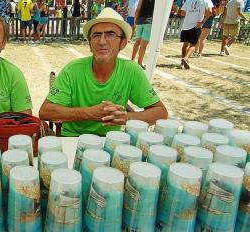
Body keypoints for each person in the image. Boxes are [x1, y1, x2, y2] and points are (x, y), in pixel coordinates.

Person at [39, 8, 167, 137]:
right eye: (96, 35)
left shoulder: (132, 71)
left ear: (122, 43)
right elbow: (46, 112)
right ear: (90, 45)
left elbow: (161, 113)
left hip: (110, 141)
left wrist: (126, 117)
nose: (102, 41)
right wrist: (90, 113)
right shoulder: (73, 70)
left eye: (110, 34)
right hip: (73, 138)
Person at [178, 0, 213, 69]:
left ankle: (182, 62)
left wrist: (191, 14)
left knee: (185, 45)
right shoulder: (206, 0)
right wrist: (202, 21)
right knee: (193, 45)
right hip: (196, 25)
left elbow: (182, 13)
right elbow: (210, 11)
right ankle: (185, 58)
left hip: (186, 25)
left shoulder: (188, 0)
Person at [131, 0, 155, 69]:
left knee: (137, 41)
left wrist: (135, 21)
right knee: (143, 44)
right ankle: (139, 63)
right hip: (149, 21)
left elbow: (138, 9)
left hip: (140, 20)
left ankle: (132, 60)